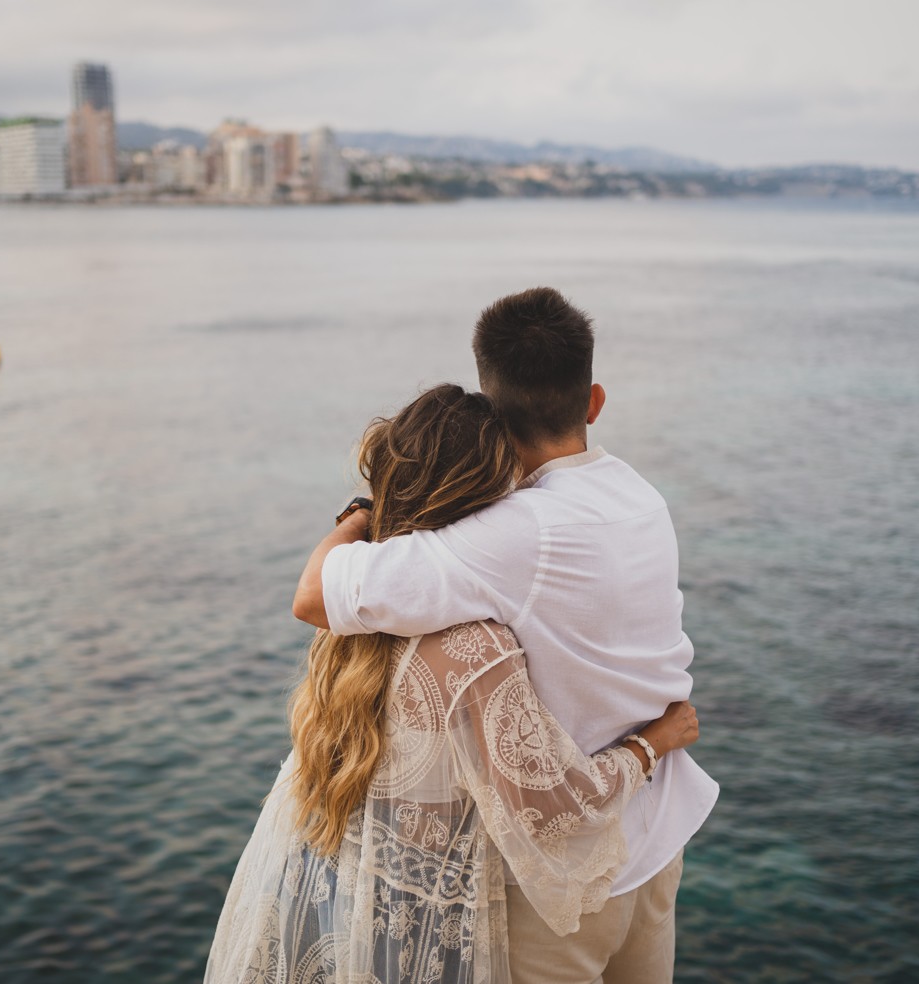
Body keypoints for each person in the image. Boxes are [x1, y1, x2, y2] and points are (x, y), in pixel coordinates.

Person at [204, 384, 700, 984]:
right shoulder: (475, 652)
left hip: (357, 917)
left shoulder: (348, 636)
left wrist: (360, 516)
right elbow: (553, 806)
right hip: (440, 940)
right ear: (487, 500)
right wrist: (653, 744)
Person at [293, 288, 719, 984]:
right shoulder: (638, 493)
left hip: (567, 879)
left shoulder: (516, 535)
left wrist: (359, 514)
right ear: (595, 401)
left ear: (494, 410)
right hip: (658, 840)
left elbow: (315, 596)